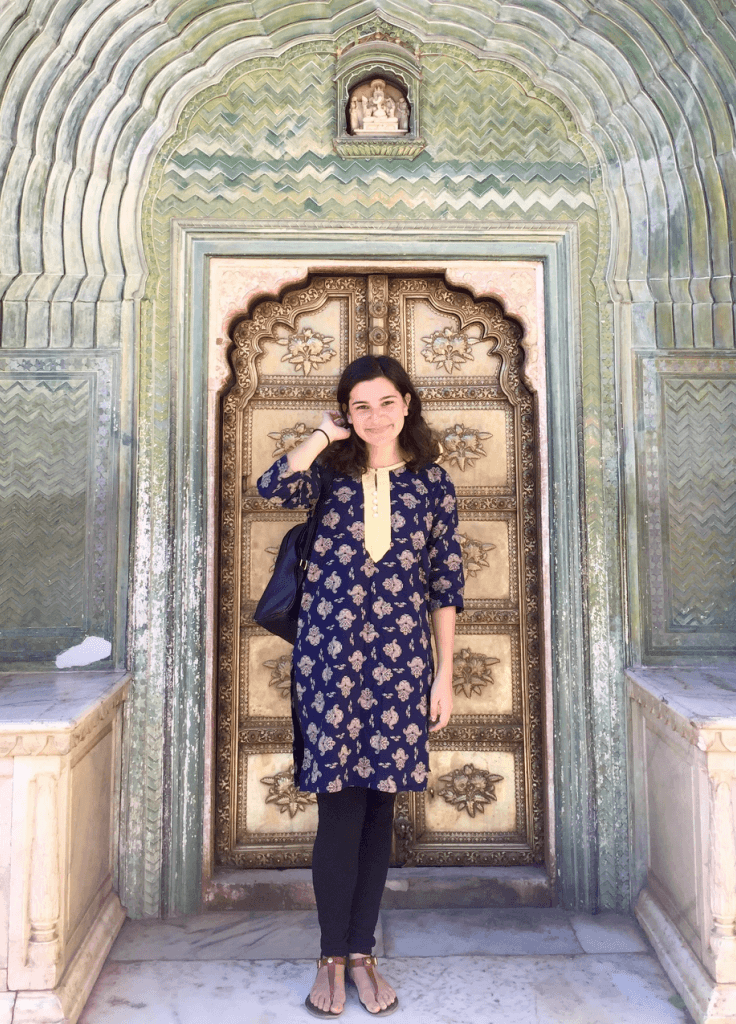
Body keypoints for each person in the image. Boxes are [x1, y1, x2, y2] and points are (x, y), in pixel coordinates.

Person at [257, 355, 465, 1018]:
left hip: (401, 664)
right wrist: (323, 434)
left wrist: (444, 673)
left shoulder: (432, 484)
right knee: (339, 808)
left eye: (384, 402)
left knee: (380, 809)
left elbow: (444, 586)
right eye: (358, 405)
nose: (373, 416)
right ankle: (329, 956)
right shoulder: (328, 475)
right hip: (330, 660)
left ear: (407, 403)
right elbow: (270, 485)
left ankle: (362, 954)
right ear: (346, 411)